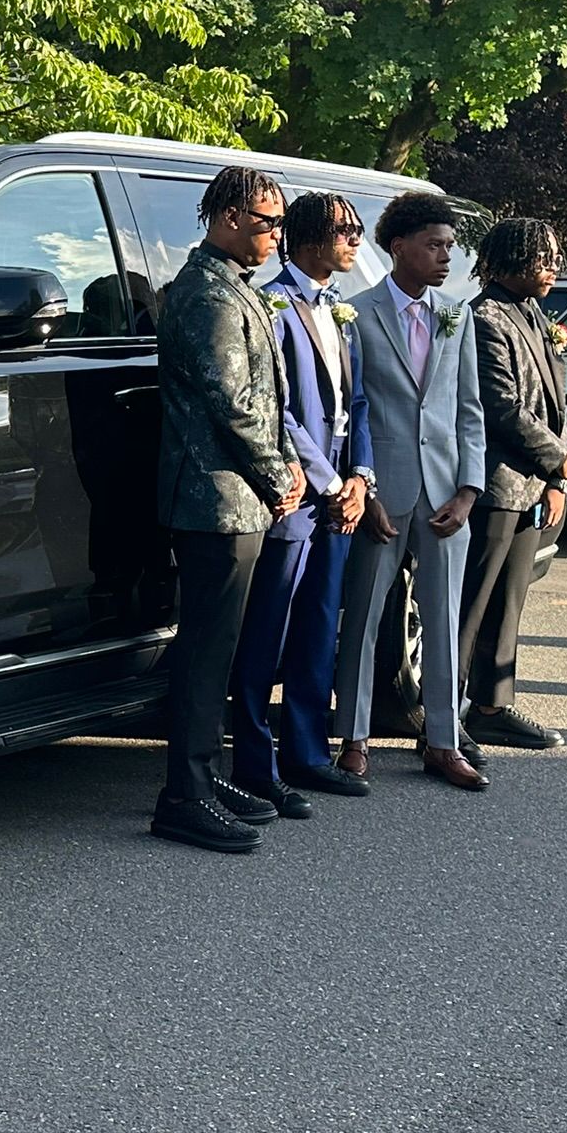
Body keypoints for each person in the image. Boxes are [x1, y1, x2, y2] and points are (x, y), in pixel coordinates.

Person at [152, 166, 307, 852]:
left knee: (221, 647)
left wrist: (289, 464)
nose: (279, 235)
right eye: (270, 222)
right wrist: (279, 475)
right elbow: (231, 402)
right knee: (205, 648)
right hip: (213, 496)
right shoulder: (209, 296)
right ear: (230, 218)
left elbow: (265, 401)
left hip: (237, 496)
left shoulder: (232, 288)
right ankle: (182, 795)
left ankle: (205, 778)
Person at [333, 192, 489, 791]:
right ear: (398, 247)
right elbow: (351, 410)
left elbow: (468, 410)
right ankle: (352, 737)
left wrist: (469, 490)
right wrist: (364, 487)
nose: (446, 256)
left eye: (450, 246)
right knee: (366, 617)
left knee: (445, 621)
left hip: (449, 493)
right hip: (383, 492)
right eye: (434, 245)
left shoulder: (457, 315)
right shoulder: (358, 313)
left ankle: (444, 741)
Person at [229, 192, 375, 811]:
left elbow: (359, 404)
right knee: (271, 628)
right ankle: (255, 763)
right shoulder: (273, 305)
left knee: (320, 625)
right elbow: (277, 410)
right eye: (347, 232)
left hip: (341, 496)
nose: (355, 243)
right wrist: (324, 480)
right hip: (296, 493)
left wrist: (361, 477)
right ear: (311, 238)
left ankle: (308, 753)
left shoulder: (340, 310)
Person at [457, 217, 567, 750]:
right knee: (472, 604)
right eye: (541, 258)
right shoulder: (485, 317)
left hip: (533, 483)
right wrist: (557, 455)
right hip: (496, 482)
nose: (553, 268)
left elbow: (555, 403)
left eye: (553, 258)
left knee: (510, 600)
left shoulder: (532, 314)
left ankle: (492, 706)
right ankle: (446, 715)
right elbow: (500, 406)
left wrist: (556, 478)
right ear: (509, 261)